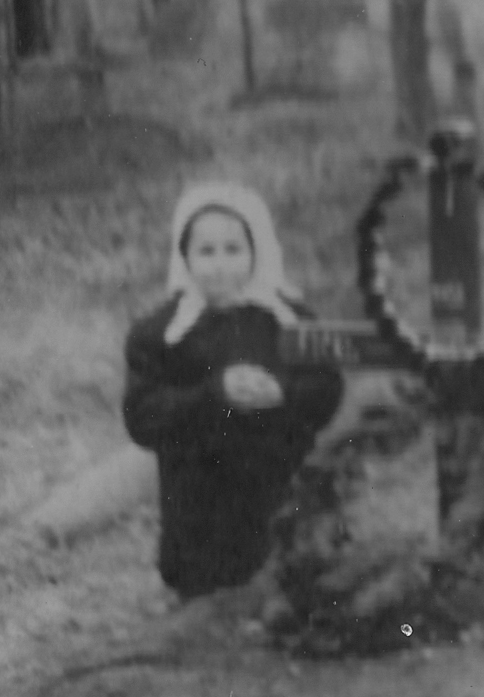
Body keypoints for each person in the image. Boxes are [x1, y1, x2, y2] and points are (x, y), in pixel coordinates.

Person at [123, 181, 344, 599]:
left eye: (233, 250)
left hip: (278, 486)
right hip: (200, 511)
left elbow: (327, 388)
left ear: (256, 250)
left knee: (293, 576)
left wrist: (283, 392)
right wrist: (213, 394)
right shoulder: (161, 334)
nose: (220, 265)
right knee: (213, 592)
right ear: (184, 255)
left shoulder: (289, 320)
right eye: (206, 252)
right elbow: (142, 416)